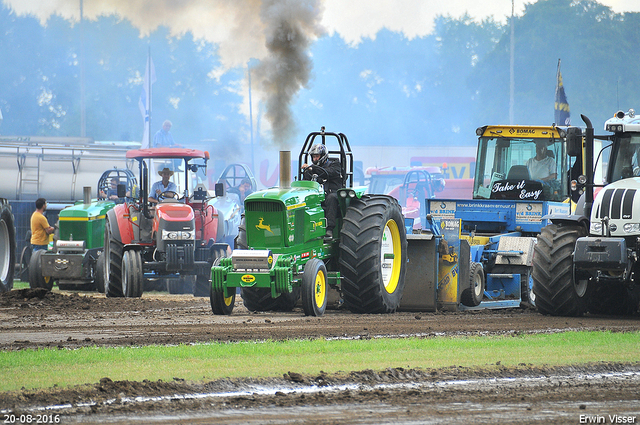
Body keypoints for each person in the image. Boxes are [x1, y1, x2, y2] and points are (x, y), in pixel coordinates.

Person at [301, 144, 343, 239]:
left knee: (331, 198)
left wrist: (313, 169)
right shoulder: (310, 169)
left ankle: (329, 229)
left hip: (333, 195)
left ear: (323, 156)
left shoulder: (335, 164)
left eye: (317, 156)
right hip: (317, 195)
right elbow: (305, 183)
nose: (315, 159)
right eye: (314, 157)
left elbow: (329, 173)